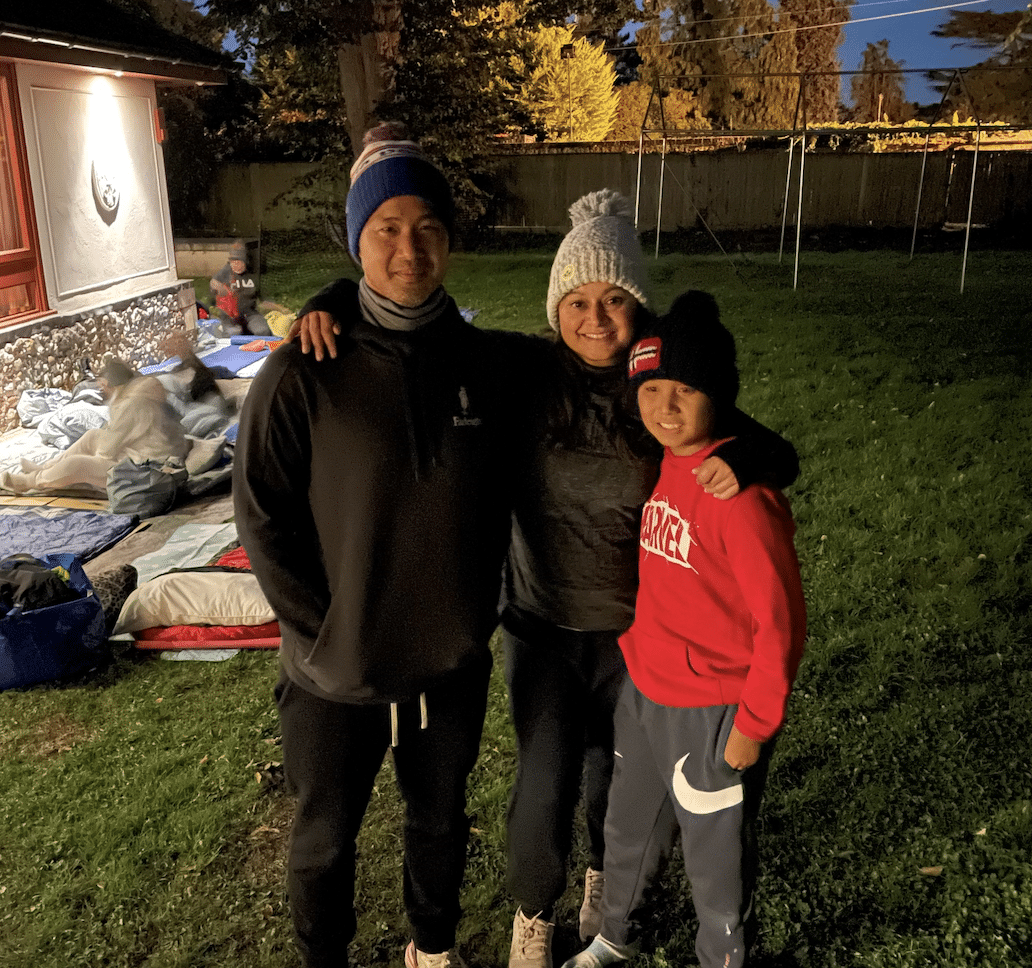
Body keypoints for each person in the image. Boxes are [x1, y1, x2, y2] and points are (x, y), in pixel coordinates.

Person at [292, 189, 799, 968]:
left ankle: (606, 892)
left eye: (616, 301)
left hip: (638, 635)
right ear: (555, 304)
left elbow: (732, 419)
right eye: (578, 300)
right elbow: (422, 323)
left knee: (615, 781)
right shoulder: (516, 370)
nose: (596, 319)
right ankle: (535, 915)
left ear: (641, 311)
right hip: (543, 625)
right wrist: (332, 296)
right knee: (544, 782)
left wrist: (757, 455)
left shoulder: (656, 384)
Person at [233, 122, 532, 968]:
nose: (410, 248)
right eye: (387, 229)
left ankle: (430, 950)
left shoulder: (486, 365)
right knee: (324, 840)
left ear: (450, 241)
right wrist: (321, 636)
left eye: (428, 227)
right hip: (333, 674)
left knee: (439, 819)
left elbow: (614, 365)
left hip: (447, 666)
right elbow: (259, 513)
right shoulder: (304, 371)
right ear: (359, 239)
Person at [559, 293, 807, 968]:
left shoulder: (740, 496)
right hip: (645, 691)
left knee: (715, 856)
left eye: (686, 391)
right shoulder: (667, 460)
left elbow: (780, 621)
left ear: (717, 396)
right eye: (652, 389)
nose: (665, 408)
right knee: (627, 827)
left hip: (713, 711)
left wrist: (756, 721)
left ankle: (724, 956)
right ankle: (615, 934)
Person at [0, 358, 189, 495]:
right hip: (141, 453)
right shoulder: (135, 391)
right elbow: (116, 437)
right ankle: (47, 467)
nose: (100, 389)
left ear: (107, 384)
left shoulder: (132, 402)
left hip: (147, 468)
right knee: (93, 436)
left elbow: (110, 449)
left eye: (101, 385)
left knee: (79, 464)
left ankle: (31, 481)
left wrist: (95, 461)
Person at [209, 239, 276, 336]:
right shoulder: (226, 271)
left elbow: (264, 300)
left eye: (239, 261)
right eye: (233, 261)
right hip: (229, 317)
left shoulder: (253, 274)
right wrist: (220, 288)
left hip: (250, 314)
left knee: (263, 331)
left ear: (246, 261)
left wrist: (280, 309)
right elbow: (213, 282)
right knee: (234, 333)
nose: (235, 264)